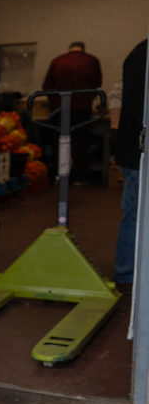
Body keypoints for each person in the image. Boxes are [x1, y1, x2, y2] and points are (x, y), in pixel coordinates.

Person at [41, 41, 103, 183]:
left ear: (69, 49)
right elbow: (97, 83)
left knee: (59, 143)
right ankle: (79, 177)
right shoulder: (91, 61)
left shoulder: (57, 61)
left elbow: (46, 86)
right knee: (80, 143)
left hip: (60, 109)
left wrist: (55, 101)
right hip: (82, 109)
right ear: (83, 49)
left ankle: (60, 175)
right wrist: (87, 99)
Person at [113, 38, 147, 286]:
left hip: (138, 148)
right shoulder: (141, 55)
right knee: (134, 213)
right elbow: (135, 102)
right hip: (136, 152)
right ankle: (126, 273)